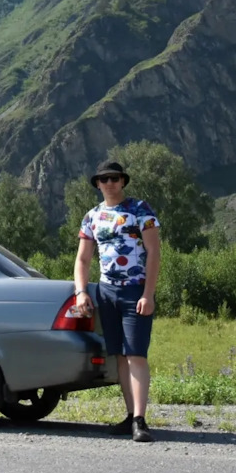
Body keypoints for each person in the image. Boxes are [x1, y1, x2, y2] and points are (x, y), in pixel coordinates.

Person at [73, 158, 161, 442]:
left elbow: (154, 253)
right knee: (119, 355)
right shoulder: (92, 217)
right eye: (104, 179)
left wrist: (148, 294)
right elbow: (83, 259)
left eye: (114, 178)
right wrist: (81, 291)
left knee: (136, 354)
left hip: (135, 291)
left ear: (123, 181)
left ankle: (140, 420)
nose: (109, 183)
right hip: (106, 292)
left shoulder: (140, 210)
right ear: (97, 184)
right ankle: (129, 415)